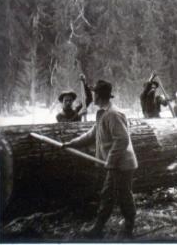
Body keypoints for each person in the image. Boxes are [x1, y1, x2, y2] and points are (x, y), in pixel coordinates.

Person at [62, 80, 138, 239]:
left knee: (122, 195)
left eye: (94, 93)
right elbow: (92, 134)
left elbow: (122, 140)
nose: (93, 96)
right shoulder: (103, 113)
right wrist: (73, 143)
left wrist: (110, 160)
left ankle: (128, 229)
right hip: (115, 163)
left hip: (123, 164)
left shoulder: (113, 114)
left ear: (100, 96)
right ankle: (98, 228)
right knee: (108, 194)